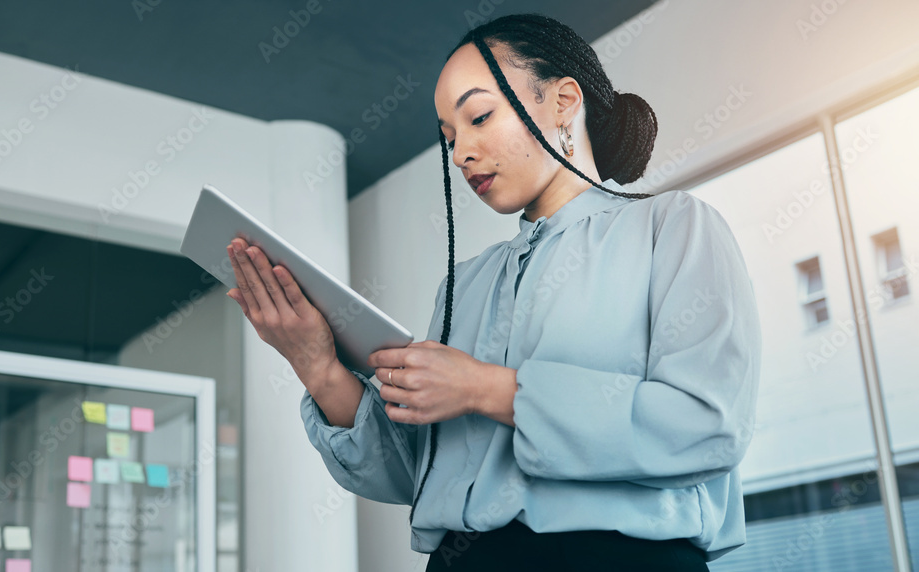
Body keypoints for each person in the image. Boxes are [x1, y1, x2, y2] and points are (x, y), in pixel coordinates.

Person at [225, 12, 762, 572]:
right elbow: (418, 476)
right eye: (450, 138)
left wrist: (487, 389)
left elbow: (706, 424)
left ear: (563, 101)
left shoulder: (673, 227)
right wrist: (318, 367)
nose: (460, 154)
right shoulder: (466, 283)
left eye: (479, 116)